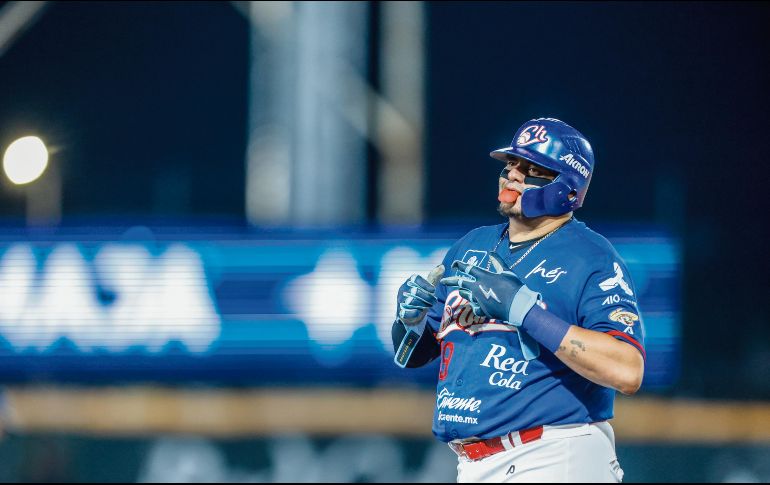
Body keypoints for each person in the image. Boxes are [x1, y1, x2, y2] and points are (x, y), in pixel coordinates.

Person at [392, 117, 645, 483]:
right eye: (511, 164)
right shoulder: (472, 245)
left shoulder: (591, 256)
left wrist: (526, 311)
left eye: (532, 168)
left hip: (555, 454)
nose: (512, 174)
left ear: (567, 185)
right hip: (476, 462)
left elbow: (628, 370)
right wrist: (408, 323)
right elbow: (411, 356)